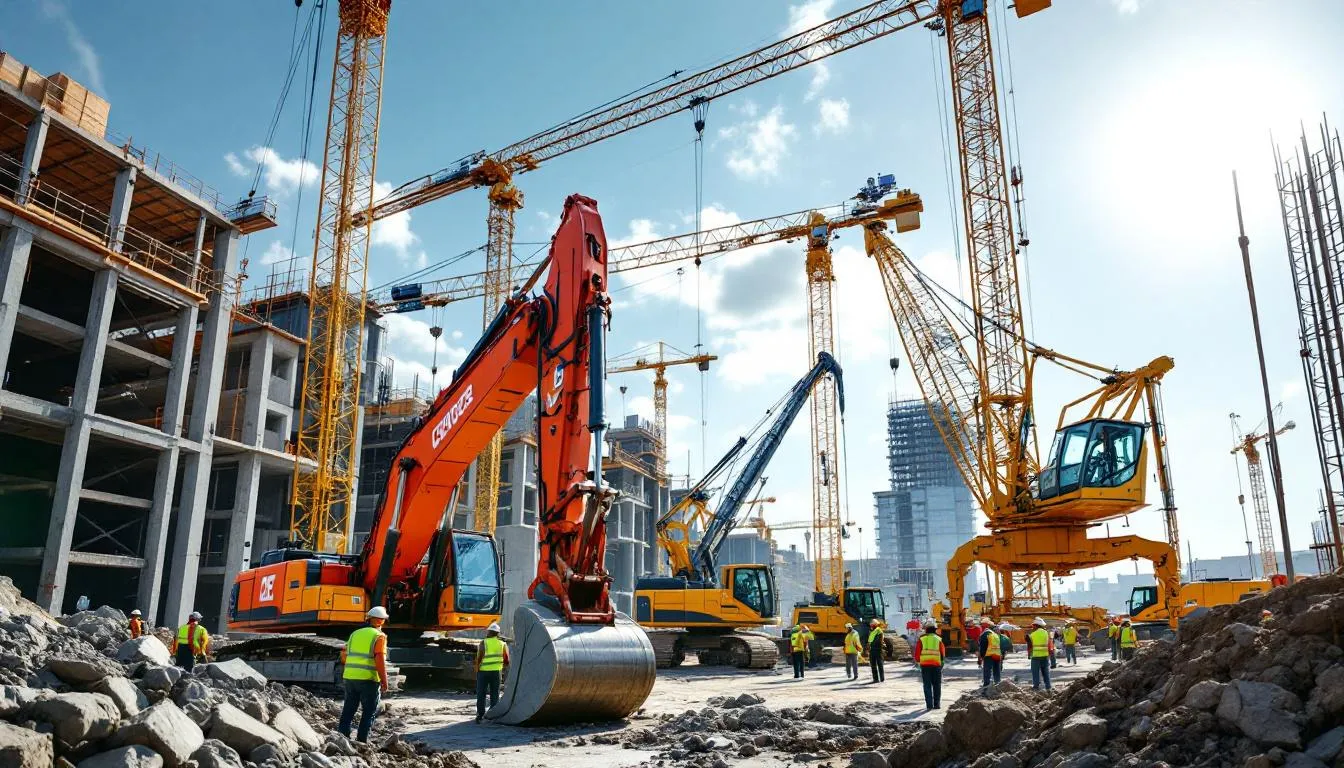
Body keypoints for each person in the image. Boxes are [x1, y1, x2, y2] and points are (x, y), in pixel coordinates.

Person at [339, 606, 390, 743]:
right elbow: (379, 659)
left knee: (349, 708)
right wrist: (384, 681)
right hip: (368, 679)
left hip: (350, 677)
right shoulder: (379, 636)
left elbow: (343, 655)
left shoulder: (354, 634)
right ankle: (362, 740)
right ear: (381, 621)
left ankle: (342, 737)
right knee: (368, 712)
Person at [475, 622, 509, 723]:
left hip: (483, 672)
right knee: (495, 694)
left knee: (481, 693)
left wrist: (477, 669)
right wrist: (501, 667)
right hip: (496, 672)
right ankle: (493, 714)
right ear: (498, 633)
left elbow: (479, 658)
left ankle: (480, 715)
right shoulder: (502, 644)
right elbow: (507, 660)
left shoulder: (483, 643)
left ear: (489, 632)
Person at [916, 620, 946, 709]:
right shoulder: (939, 639)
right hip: (936, 665)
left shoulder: (922, 639)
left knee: (927, 685)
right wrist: (942, 663)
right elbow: (943, 653)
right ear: (934, 629)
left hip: (925, 665)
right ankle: (937, 705)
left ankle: (929, 705)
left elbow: (917, 654)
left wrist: (918, 662)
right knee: (937, 685)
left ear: (926, 629)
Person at [1027, 617, 1052, 691]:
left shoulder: (1032, 635)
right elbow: (1049, 644)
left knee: (1035, 672)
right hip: (1045, 655)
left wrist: (1029, 655)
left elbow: (1030, 647)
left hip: (1036, 656)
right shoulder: (1046, 633)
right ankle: (1048, 686)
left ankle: (1036, 686)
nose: (1032, 627)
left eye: (1033, 625)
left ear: (1036, 625)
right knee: (1046, 672)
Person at [978, 617, 1002, 688]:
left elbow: (983, 647)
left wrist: (981, 657)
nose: (981, 627)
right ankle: (998, 683)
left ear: (986, 626)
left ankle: (986, 684)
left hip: (989, 655)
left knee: (987, 670)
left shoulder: (984, 634)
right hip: (997, 654)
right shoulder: (995, 634)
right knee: (996, 670)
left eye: (982, 625)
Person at [867, 619, 886, 683]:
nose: (871, 625)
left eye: (872, 624)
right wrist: (868, 646)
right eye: (871, 625)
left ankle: (882, 678)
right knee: (873, 665)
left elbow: (880, 639)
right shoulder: (872, 631)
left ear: (875, 624)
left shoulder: (878, 630)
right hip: (872, 649)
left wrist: (878, 646)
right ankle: (875, 679)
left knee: (879, 664)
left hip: (877, 649)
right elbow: (870, 640)